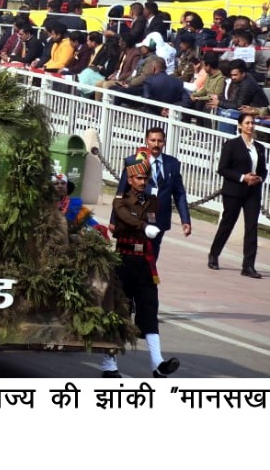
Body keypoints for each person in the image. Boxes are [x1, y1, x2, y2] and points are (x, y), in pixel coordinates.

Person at [98, 151, 181, 379]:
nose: (143, 182)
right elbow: (129, 218)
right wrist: (144, 227)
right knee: (119, 313)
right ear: (130, 179)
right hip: (124, 263)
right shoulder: (119, 203)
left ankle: (158, 364)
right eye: (139, 178)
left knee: (149, 311)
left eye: (145, 178)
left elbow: (147, 215)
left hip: (145, 263)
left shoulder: (152, 201)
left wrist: (146, 225)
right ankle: (109, 364)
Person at [115, 127, 192, 257]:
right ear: (146, 141)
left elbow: (179, 193)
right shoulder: (134, 161)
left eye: (160, 141)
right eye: (153, 140)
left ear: (164, 142)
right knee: (134, 252)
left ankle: (148, 276)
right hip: (137, 216)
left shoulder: (172, 164)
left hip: (160, 218)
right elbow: (121, 192)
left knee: (152, 254)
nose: (156, 144)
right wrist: (113, 220)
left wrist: (185, 219)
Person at [208, 113, 267, 277]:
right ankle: (214, 254)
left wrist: (259, 178)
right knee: (228, 223)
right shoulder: (231, 145)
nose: (250, 126)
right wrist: (242, 177)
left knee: (251, 227)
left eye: (252, 123)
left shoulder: (259, 147)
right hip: (234, 191)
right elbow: (223, 169)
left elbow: (263, 170)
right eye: (247, 123)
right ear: (240, 125)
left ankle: (248, 265)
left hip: (253, 192)